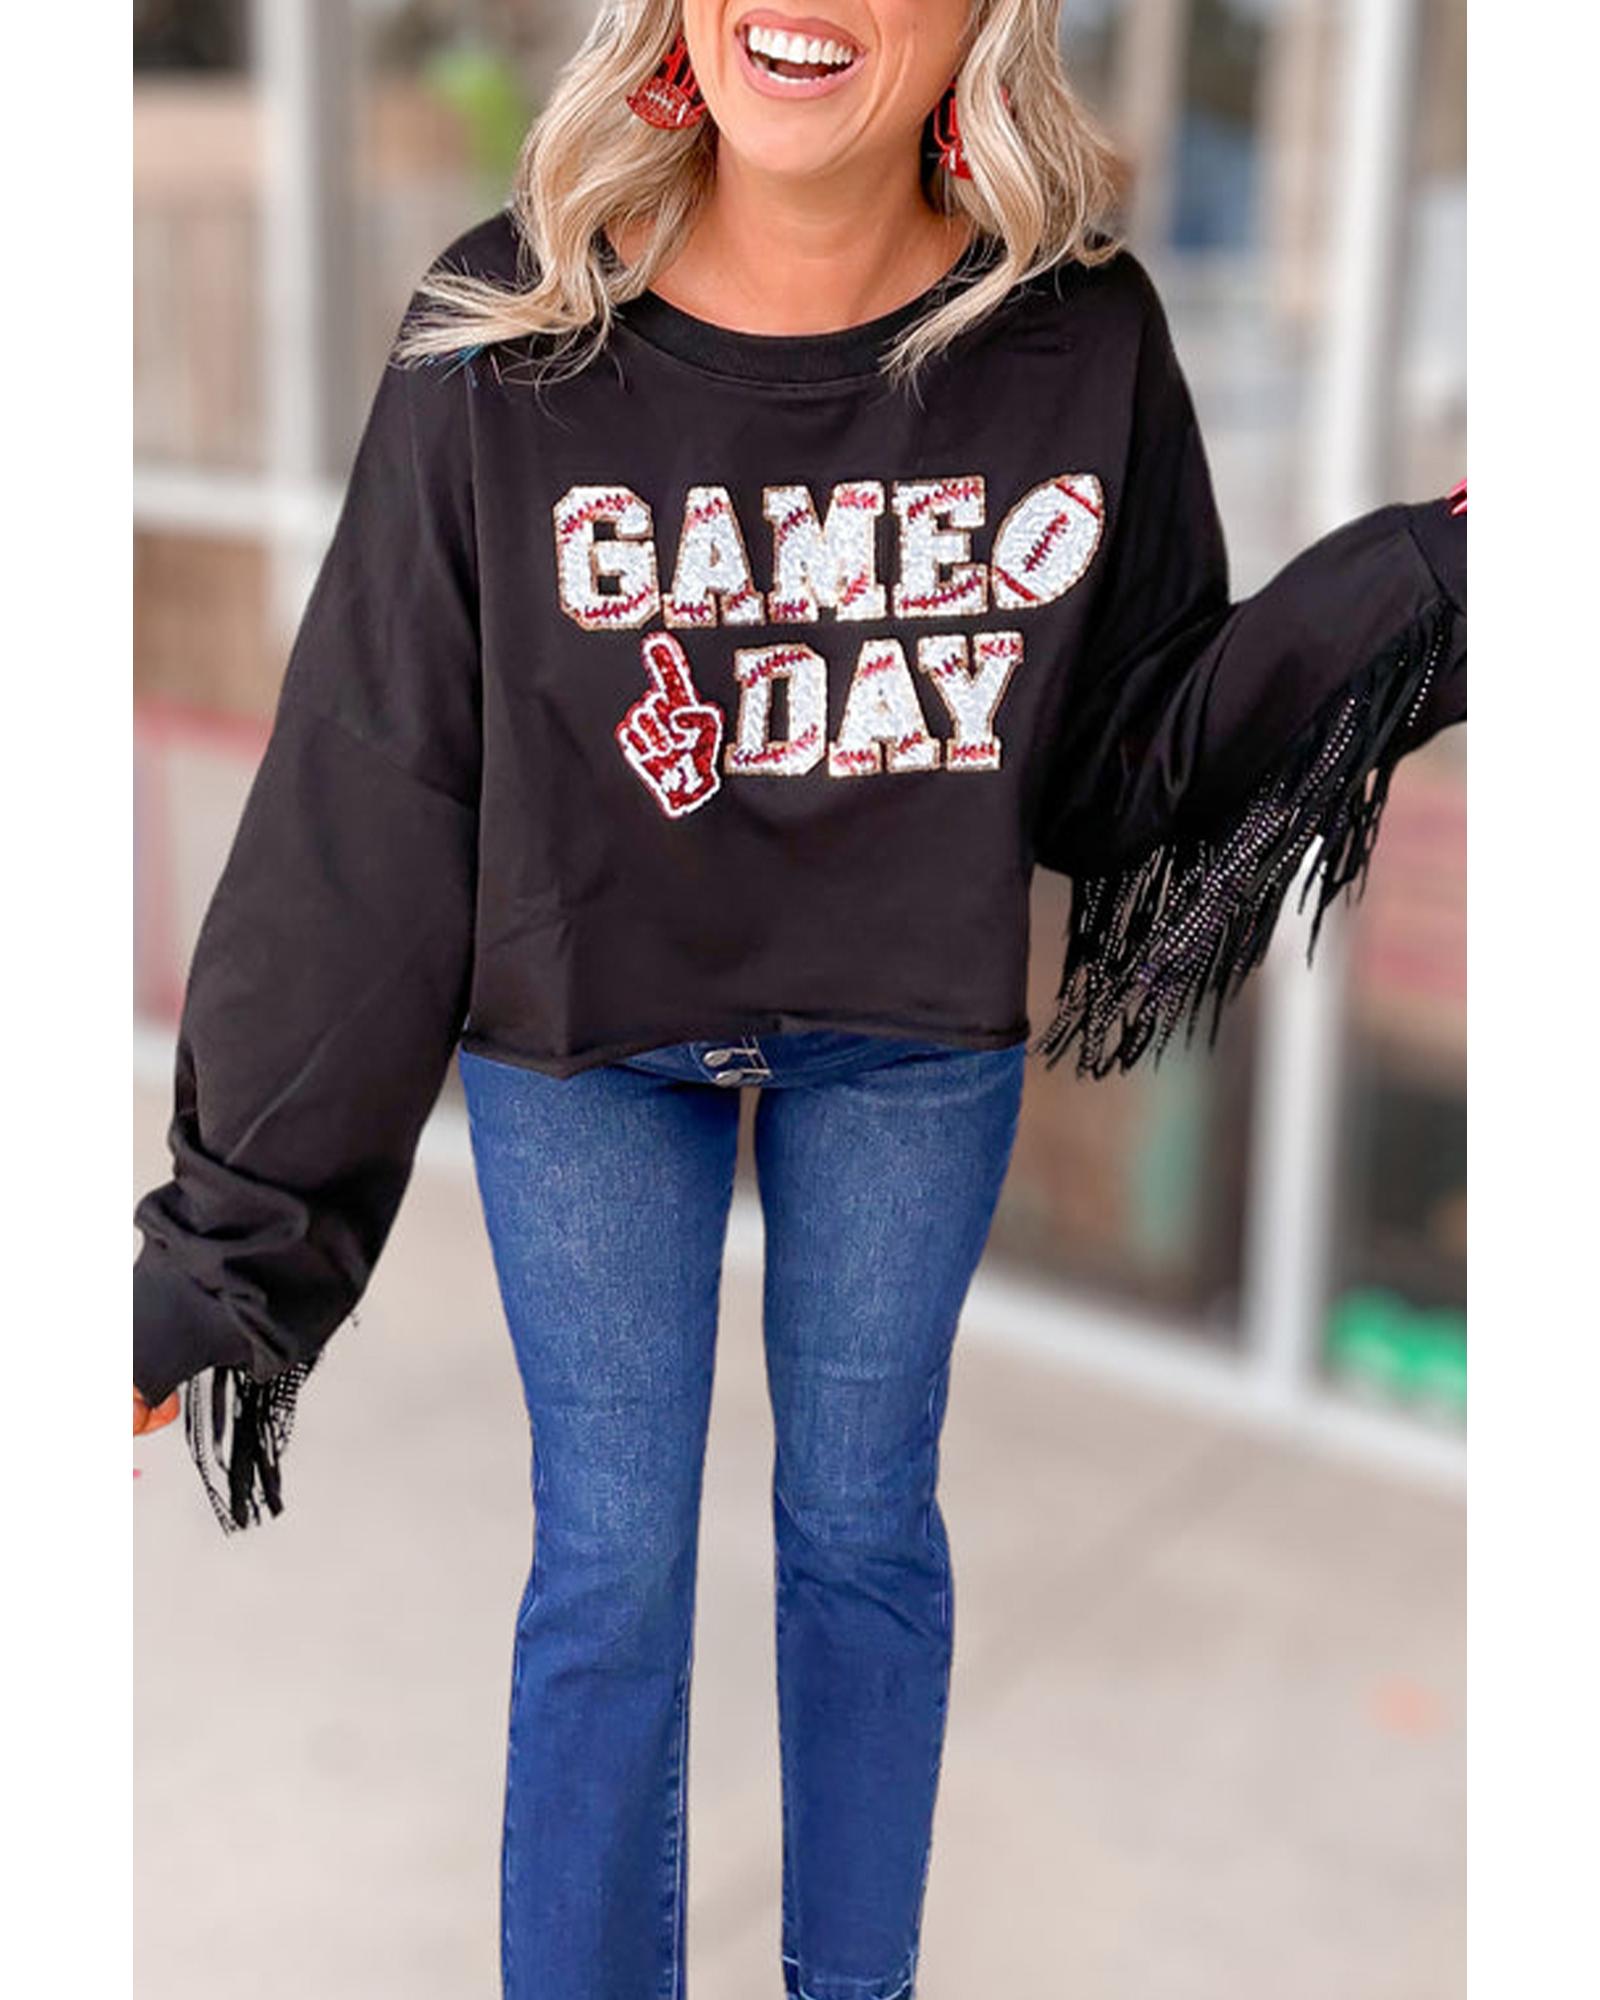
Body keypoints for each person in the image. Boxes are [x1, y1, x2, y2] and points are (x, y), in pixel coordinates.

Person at [131, 4, 1467, 1995]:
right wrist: (220, 1250)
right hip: (585, 1031)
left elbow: (1124, 759)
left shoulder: (1074, 338)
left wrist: (1427, 582)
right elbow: (371, 798)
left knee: (862, 1537)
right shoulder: (513, 335)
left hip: (902, 1033)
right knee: (609, 1570)